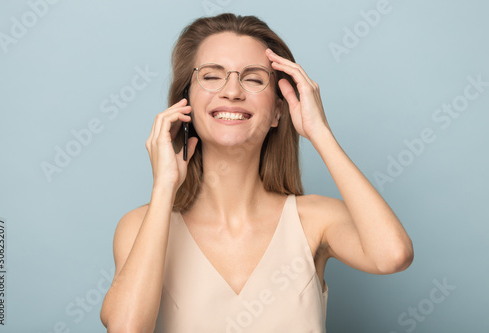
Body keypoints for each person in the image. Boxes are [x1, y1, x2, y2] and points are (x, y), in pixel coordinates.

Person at [100, 13, 414, 332]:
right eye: (211, 76)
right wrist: (164, 187)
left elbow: (393, 255)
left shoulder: (316, 221)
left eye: (252, 78)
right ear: (186, 104)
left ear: (279, 110)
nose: (232, 91)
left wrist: (319, 131)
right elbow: (126, 328)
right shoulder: (142, 225)